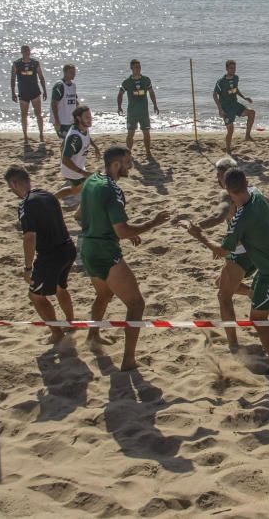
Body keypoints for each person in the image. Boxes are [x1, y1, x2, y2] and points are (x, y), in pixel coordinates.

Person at [187, 169, 269, 374]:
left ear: (227, 190)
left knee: (258, 318)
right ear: (247, 182)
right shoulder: (257, 196)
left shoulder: (241, 219)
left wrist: (199, 234)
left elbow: (221, 251)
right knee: (248, 303)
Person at [81, 147, 170, 371]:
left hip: (88, 248)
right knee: (136, 303)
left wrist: (116, 230)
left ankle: (93, 336)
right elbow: (121, 230)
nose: (131, 165)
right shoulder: (112, 190)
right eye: (128, 162)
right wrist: (153, 223)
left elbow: (79, 215)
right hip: (105, 252)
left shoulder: (91, 180)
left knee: (103, 294)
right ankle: (129, 360)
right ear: (115, 165)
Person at [5, 166, 77, 344]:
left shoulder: (26, 204)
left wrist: (28, 267)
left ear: (14, 183)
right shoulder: (48, 195)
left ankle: (56, 333)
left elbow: (29, 238)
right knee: (61, 287)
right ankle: (70, 322)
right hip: (68, 248)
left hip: (51, 255)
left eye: (10, 188)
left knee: (36, 296)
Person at [54, 105, 100, 219]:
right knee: (92, 187)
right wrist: (83, 173)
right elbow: (65, 159)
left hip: (79, 167)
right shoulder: (75, 137)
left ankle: (52, 199)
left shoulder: (82, 127)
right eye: (87, 117)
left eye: (90, 116)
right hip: (72, 170)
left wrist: (95, 147)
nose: (90, 119)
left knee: (74, 190)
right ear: (79, 118)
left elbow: (87, 137)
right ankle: (79, 214)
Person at [117, 59, 159, 161]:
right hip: (132, 112)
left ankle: (148, 152)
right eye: (136, 67)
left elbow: (151, 93)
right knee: (130, 133)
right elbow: (120, 94)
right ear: (131, 68)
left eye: (139, 67)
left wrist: (155, 105)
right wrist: (119, 106)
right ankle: (128, 153)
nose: (138, 69)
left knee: (146, 132)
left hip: (144, 112)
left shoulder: (146, 80)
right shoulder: (127, 82)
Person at [213, 60, 256, 154]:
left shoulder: (236, 78)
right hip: (226, 109)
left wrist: (244, 97)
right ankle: (228, 150)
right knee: (231, 130)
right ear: (227, 68)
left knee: (252, 113)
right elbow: (214, 95)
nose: (233, 70)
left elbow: (235, 90)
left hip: (235, 105)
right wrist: (220, 109)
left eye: (234, 68)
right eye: (231, 68)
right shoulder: (221, 82)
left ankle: (247, 136)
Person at [10, 45, 48, 144]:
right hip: (23, 93)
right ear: (21, 52)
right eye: (24, 51)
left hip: (35, 91)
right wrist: (13, 92)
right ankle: (25, 136)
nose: (27, 52)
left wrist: (44, 90)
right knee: (24, 115)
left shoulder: (35, 63)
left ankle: (41, 134)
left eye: (28, 50)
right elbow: (13, 79)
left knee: (38, 114)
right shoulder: (16, 64)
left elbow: (41, 77)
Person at [50, 63, 81, 140]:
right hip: (61, 120)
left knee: (71, 140)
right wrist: (57, 120)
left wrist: (82, 112)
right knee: (66, 139)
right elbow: (54, 104)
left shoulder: (73, 85)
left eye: (74, 72)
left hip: (71, 119)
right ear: (65, 73)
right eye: (71, 72)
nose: (73, 74)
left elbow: (75, 101)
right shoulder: (59, 85)